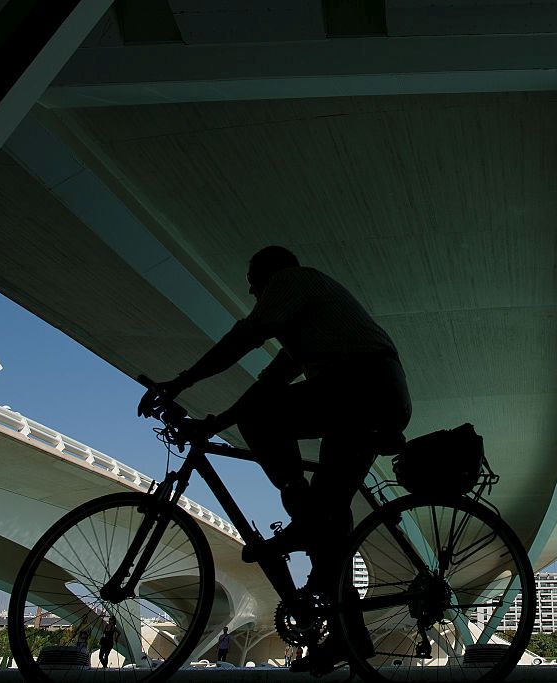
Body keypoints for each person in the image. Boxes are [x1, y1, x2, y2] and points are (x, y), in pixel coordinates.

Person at [138, 245, 411, 669]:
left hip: (360, 389)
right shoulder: (310, 328)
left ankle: (301, 516)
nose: (255, 296)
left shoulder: (292, 281)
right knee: (329, 525)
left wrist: (180, 382)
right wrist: (216, 421)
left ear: (267, 276)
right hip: (370, 394)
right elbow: (267, 385)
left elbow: (244, 338)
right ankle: (346, 638)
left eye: (254, 287)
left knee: (270, 434)